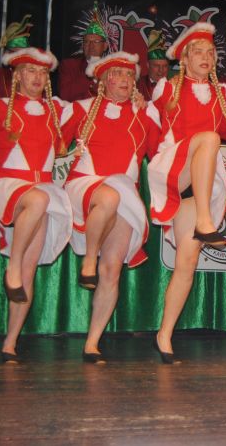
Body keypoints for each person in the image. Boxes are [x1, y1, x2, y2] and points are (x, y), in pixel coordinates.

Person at [0, 16, 75, 363]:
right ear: (16, 74)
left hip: (40, 188)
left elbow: (91, 121)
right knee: (39, 200)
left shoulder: (58, 109)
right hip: (10, 184)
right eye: (30, 71)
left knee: (31, 267)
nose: (37, 77)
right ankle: (12, 266)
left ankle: (10, 341)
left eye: (43, 73)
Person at [146, 21, 226, 363]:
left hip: (201, 187)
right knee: (209, 138)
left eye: (211, 52)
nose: (206, 57)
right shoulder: (167, 89)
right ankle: (204, 220)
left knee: (187, 261)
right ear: (183, 58)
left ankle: (164, 334)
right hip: (174, 167)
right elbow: (150, 122)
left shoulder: (221, 94)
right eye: (198, 52)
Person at [64, 52, 154, 363]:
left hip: (125, 193)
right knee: (109, 197)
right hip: (86, 185)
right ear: (102, 80)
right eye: (117, 74)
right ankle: (89, 259)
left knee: (112, 270)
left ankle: (92, 342)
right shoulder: (81, 109)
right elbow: (51, 141)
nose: (125, 79)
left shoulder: (144, 115)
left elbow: (163, 148)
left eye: (130, 75)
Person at [59, 4, 107, 102]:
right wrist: (91, 71)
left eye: (96, 42)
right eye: (87, 42)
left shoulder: (111, 68)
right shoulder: (70, 65)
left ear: (105, 46)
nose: (91, 45)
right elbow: (64, 95)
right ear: (82, 45)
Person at [137, 30, 169, 100]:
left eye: (165, 66)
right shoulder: (137, 85)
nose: (161, 70)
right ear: (148, 65)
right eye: (156, 66)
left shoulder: (174, 86)